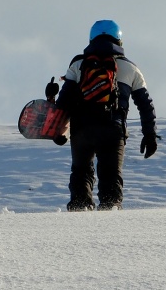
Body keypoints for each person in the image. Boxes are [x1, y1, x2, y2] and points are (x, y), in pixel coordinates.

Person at [46, 19, 158, 211]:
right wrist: (150, 135)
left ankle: (80, 209)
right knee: (111, 175)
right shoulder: (130, 68)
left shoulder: (79, 64)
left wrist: (51, 101)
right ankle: (110, 211)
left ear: (91, 39)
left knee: (81, 172)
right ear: (119, 40)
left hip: (81, 128)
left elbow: (64, 102)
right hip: (112, 129)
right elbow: (146, 106)